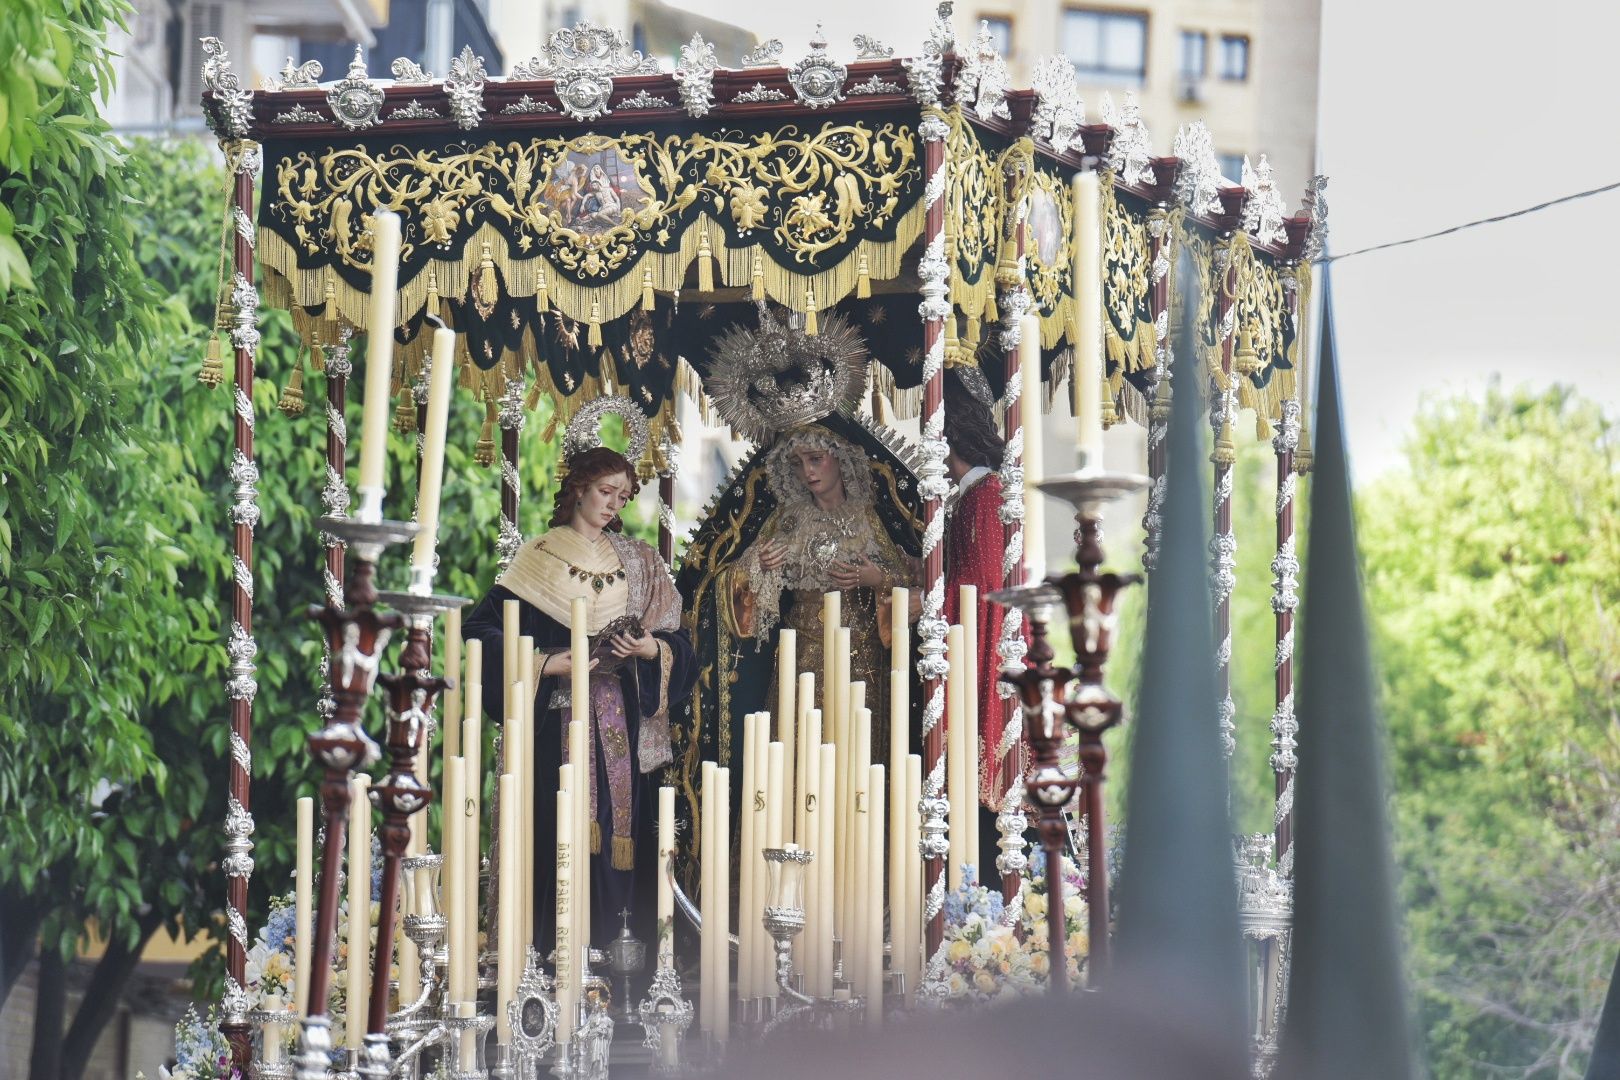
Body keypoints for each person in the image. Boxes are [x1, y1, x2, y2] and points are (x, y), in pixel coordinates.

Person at [463, 445, 697, 949]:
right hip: (554, 728)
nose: (613, 504)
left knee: (619, 835)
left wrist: (650, 648)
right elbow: (481, 631)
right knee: (556, 830)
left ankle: (623, 957)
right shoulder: (539, 557)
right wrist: (546, 664)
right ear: (578, 489)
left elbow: (680, 640)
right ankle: (552, 956)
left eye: (623, 496)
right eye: (605, 491)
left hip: (622, 726)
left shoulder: (639, 561)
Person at [943, 369, 1023, 884]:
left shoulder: (987, 494)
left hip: (987, 649)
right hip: (972, 640)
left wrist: (930, 600)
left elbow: (985, 581)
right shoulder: (971, 496)